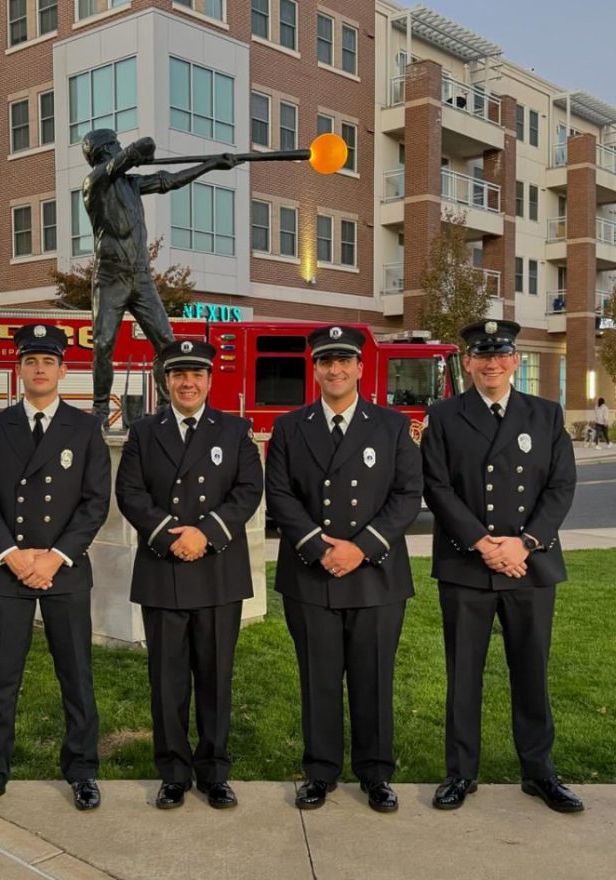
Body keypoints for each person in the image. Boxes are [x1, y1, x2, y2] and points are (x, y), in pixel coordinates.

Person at [420, 319, 583, 813]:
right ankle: (460, 773)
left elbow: (560, 487)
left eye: (501, 354)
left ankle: (539, 772)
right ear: (467, 362)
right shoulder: (444, 416)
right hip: (468, 565)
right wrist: (481, 542)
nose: (492, 363)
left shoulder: (546, 415)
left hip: (529, 566)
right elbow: (437, 487)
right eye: (482, 354)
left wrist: (524, 544)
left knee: (531, 671)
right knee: (463, 674)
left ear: (516, 361)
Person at [265, 325, 423, 813]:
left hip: (375, 574)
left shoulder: (392, 426)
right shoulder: (291, 426)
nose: (335, 370)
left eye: (343, 361)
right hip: (311, 573)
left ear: (359, 367)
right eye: (325, 362)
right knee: (318, 677)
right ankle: (320, 772)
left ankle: (376, 774)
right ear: (314, 370)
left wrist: (362, 547)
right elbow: (281, 495)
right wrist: (318, 546)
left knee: (374, 678)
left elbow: (407, 495)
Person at [0, 324, 111, 815]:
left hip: (63, 569)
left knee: (77, 677)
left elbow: (94, 502)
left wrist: (53, 557)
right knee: (2, 680)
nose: (40, 369)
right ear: (19, 370)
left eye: (48, 361)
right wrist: (13, 555)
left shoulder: (85, 428)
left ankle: (83, 771)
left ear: (64, 370)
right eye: (31, 361)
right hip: (10, 571)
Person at [115, 338, 263, 810]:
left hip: (218, 569)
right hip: (163, 568)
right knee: (167, 679)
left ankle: (215, 772)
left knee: (216, 677)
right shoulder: (143, 431)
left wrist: (205, 534)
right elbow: (131, 493)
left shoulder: (235, 430)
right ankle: (173, 773)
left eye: (196, 374)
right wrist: (169, 536)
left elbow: (248, 490)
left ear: (208, 380)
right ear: (165, 381)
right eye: (178, 374)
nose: (187, 382)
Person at [81, 129, 235, 424]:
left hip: (140, 277)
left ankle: (166, 406)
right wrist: (139, 153)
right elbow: (142, 147)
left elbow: (169, 181)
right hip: (110, 277)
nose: (120, 148)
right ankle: (100, 408)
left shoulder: (131, 184)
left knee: (166, 343)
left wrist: (212, 163)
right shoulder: (96, 181)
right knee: (102, 344)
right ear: (105, 150)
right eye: (116, 145)